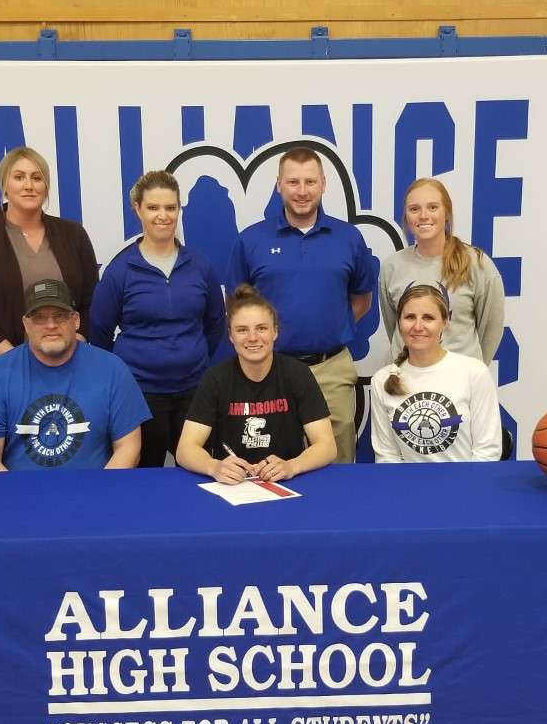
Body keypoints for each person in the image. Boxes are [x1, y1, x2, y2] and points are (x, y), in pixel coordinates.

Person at [227, 147, 374, 464]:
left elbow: (362, 299)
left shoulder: (348, 238)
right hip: (270, 370)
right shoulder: (251, 240)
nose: (302, 191)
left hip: (330, 369)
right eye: (293, 182)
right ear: (279, 185)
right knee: (269, 461)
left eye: (310, 182)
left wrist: (329, 326)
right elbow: (237, 306)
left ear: (323, 184)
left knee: (337, 461)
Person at [89, 170, 225, 468]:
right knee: (143, 478)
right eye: (153, 207)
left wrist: (194, 356)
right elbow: (99, 331)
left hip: (194, 392)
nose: (163, 216)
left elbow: (216, 323)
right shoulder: (120, 271)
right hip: (139, 395)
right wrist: (127, 373)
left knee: (199, 475)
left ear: (179, 209)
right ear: (137, 209)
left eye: (170, 207)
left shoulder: (199, 266)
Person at [0, 278, 150, 471]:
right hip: (18, 488)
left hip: (94, 487)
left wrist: (99, 488)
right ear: (26, 324)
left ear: (76, 320)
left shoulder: (112, 369)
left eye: (59, 316)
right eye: (39, 317)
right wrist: (18, 492)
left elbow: (129, 448)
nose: (51, 325)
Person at [176, 284, 336, 484]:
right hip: (233, 485)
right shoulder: (216, 378)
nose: (252, 338)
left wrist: (292, 466)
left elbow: (327, 446)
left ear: (275, 332)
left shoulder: (297, 374)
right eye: (242, 330)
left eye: (261, 328)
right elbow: (185, 449)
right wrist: (214, 467)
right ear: (230, 336)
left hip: (288, 482)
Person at [0, 146, 98, 368]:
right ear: (5, 185)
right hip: (5, 366)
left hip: (70, 365)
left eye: (37, 178)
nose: (29, 185)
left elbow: (91, 301)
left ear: (46, 187)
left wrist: (75, 347)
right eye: (19, 177)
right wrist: (13, 358)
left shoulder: (73, 234)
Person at [370, 284, 502, 463]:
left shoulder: (474, 372)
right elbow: (387, 456)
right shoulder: (381, 380)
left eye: (428, 318)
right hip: (407, 481)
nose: (418, 326)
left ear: (445, 322)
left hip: (465, 479)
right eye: (410, 317)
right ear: (399, 323)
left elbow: (487, 451)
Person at [379, 178, 505, 365]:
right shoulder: (391, 266)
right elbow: (395, 327)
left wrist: (470, 371)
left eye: (432, 207)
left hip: (459, 378)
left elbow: (491, 329)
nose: (423, 216)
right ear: (406, 217)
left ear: (447, 213)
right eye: (414, 209)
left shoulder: (477, 264)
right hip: (405, 377)